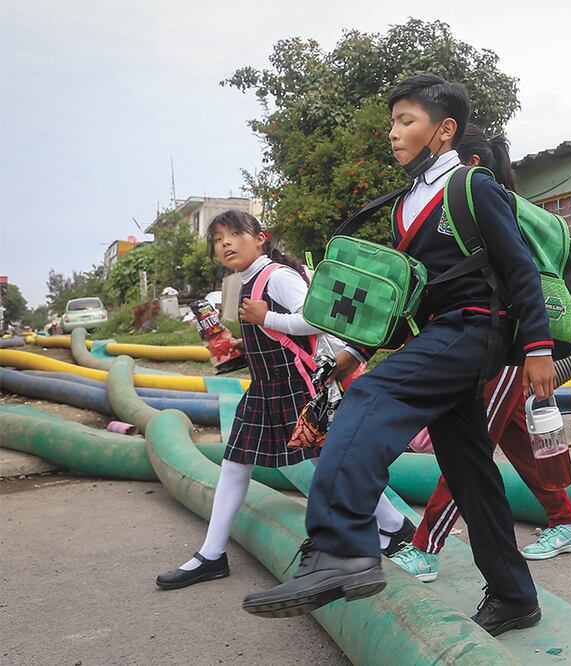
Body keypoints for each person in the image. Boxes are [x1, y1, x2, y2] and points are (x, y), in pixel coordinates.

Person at [243, 74, 556, 638]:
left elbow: (520, 271)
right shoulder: (406, 205)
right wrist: (355, 349)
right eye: (392, 122)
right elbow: (402, 293)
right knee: (468, 470)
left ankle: (341, 549)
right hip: (437, 333)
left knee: (372, 396)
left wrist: (537, 348)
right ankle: (514, 595)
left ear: (445, 130)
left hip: (474, 330)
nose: (393, 133)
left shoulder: (472, 187)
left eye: (405, 121)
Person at [155, 211, 413, 590]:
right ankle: (212, 554)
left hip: (298, 385)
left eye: (234, 234)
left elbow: (319, 319)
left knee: (330, 460)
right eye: (218, 238)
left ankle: (394, 525)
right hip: (265, 387)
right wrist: (245, 344)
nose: (225, 243)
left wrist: (266, 319)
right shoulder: (246, 281)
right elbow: (275, 332)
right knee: (236, 463)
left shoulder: (276, 276)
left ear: (261, 238)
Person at [391, 125, 571, 583]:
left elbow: (518, 279)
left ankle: (425, 547)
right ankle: (566, 522)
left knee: (468, 449)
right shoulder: (480, 208)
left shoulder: (483, 202)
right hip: (501, 343)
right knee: (515, 435)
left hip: (503, 345)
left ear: (473, 166)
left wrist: (535, 350)